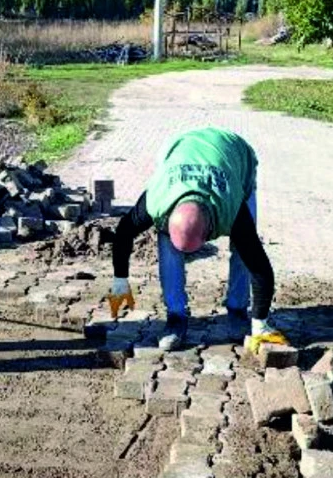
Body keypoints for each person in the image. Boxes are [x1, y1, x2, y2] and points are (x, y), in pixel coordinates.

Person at [107, 127, 288, 351]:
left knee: (243, 251)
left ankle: (238, 310)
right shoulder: (156, 201)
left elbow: (259, 267)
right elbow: (124, 232)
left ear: (210, 232)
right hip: (181, 148)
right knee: (167, 247)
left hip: (234, 155)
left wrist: (260, 325)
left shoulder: (232, 209)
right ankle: (176, 317)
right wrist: (120, 283)